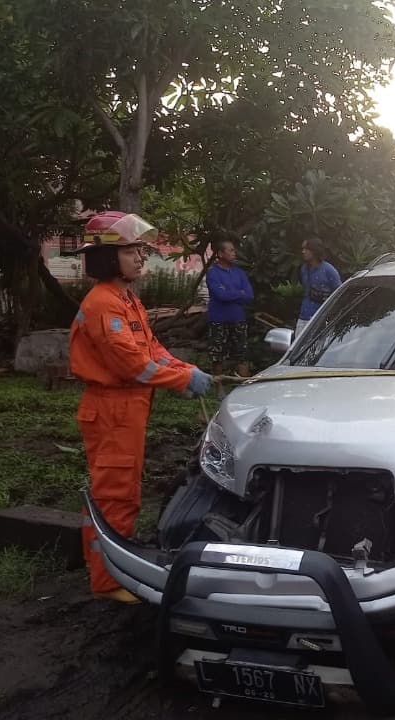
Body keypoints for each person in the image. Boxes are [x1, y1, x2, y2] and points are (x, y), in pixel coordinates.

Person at [70, 211, 212, 603]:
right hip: (112, 408)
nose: (140, 257)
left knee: (123, 489)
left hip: (126, 408)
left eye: (140, 250)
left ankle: (116, 562)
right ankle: (106, 581)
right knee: (115, 493)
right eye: (132, 250)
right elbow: (131, 364)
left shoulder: (126, 299)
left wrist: (184, 368)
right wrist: (183, 380)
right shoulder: (104, 304)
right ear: (107, 258)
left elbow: (151, 350)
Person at [205, 238, 254, 383]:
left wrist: (230, 293)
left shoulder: (239, 273)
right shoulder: (213, 273)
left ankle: (244, 386)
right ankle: (219, 388)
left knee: (242, 354)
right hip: (218, 320)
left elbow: (250, 295)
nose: (234, 253)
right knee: (217, 356)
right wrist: (240, 293)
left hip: (238, 319)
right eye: (231, 250)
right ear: (220, 253)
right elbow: (220, 295)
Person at [296, 236, 341, 336]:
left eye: (306, 249)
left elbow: (339, 293)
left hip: (321, 320)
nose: (303, 252)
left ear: (314, 251)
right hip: (304, 317)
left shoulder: (329, 270)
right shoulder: (303, 268)